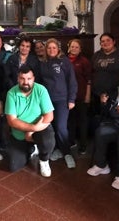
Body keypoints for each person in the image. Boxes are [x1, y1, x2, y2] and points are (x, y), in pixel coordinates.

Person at [4, 65, 55, 177]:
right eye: (22, 78)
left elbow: (49, 116)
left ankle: (44, 160)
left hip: (40, 130)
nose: (25, 82)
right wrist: (32, 128)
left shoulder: (41, 90)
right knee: (14, 166)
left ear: (33, 78)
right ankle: (31, 148)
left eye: (29, 78)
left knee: (47, 140)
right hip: (19, 134)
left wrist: (33, 131)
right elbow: (12, 121)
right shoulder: (11, 93)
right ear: (18, 79)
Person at [39, 38, 78, 169]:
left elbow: (72, 81)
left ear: (58, 49)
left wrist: (71, 99)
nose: (51, 50)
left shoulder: (64, 62)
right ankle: (56, 149)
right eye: (49, 48)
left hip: (62, 99)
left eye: (54, 48)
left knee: (61, 127)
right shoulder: (42, 63)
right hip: (47, 101)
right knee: (51, 127)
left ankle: (67, 153)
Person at [91, 33, 119, 120]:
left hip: (116, 93)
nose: (105, 43)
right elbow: (92, 72)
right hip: (98, 94)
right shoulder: (96, 55)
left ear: (114, 42)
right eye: (102, 41)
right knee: (99, 118)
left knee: (115, 116)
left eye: (108, 40)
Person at [66, 39, 92, 155]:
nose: (74, 49)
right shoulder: (64, 60)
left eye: (77, 47)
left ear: (80, 49)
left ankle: (83, 145)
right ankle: (71, 141)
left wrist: (87, 95)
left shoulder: (84, 61)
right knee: (70, 121)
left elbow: (89, 80)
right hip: (68, 97)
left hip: (81, 96)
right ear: (69, 47)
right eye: (72, 46)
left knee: (82, 122)